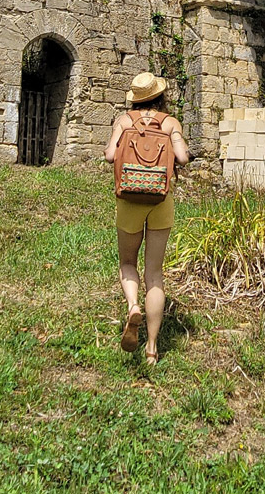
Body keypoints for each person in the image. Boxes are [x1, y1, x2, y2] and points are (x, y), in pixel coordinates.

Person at [103, 72, 190, 366]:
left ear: (135, 98)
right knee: (155, 274)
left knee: (128, 263)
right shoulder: (170, 123)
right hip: (160, 200)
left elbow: (109, 156)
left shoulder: (124, 121)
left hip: (128, 199)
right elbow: (182, 157)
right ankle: (152, 348)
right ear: (160, 95)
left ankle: (132, 306)